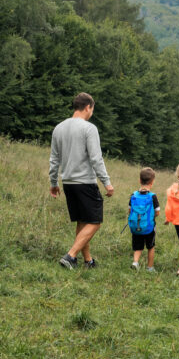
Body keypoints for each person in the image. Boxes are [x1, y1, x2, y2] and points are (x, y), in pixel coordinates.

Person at [49, 92, 114, 269]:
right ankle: (70, 256)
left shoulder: (58, 128)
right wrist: (107, 182)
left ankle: (88, 261)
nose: (92, 112)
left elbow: (54, 160)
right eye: (92, 109)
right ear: (87, 107)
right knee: (95, 222)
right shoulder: (89, 128)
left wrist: (54, 183)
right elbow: (96, 158)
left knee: (82, 221)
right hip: (85, 182)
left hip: (68, 183)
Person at [128, 167, 161, 272]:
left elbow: (130, 211)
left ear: (139, 180)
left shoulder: (133, 195)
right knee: (150, 247)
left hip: (136, 227)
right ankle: (150, 267)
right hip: (149, 227)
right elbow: (157, 212)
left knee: (138, 247)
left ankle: (135, 262)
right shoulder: (153, 196)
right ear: (152, 182)